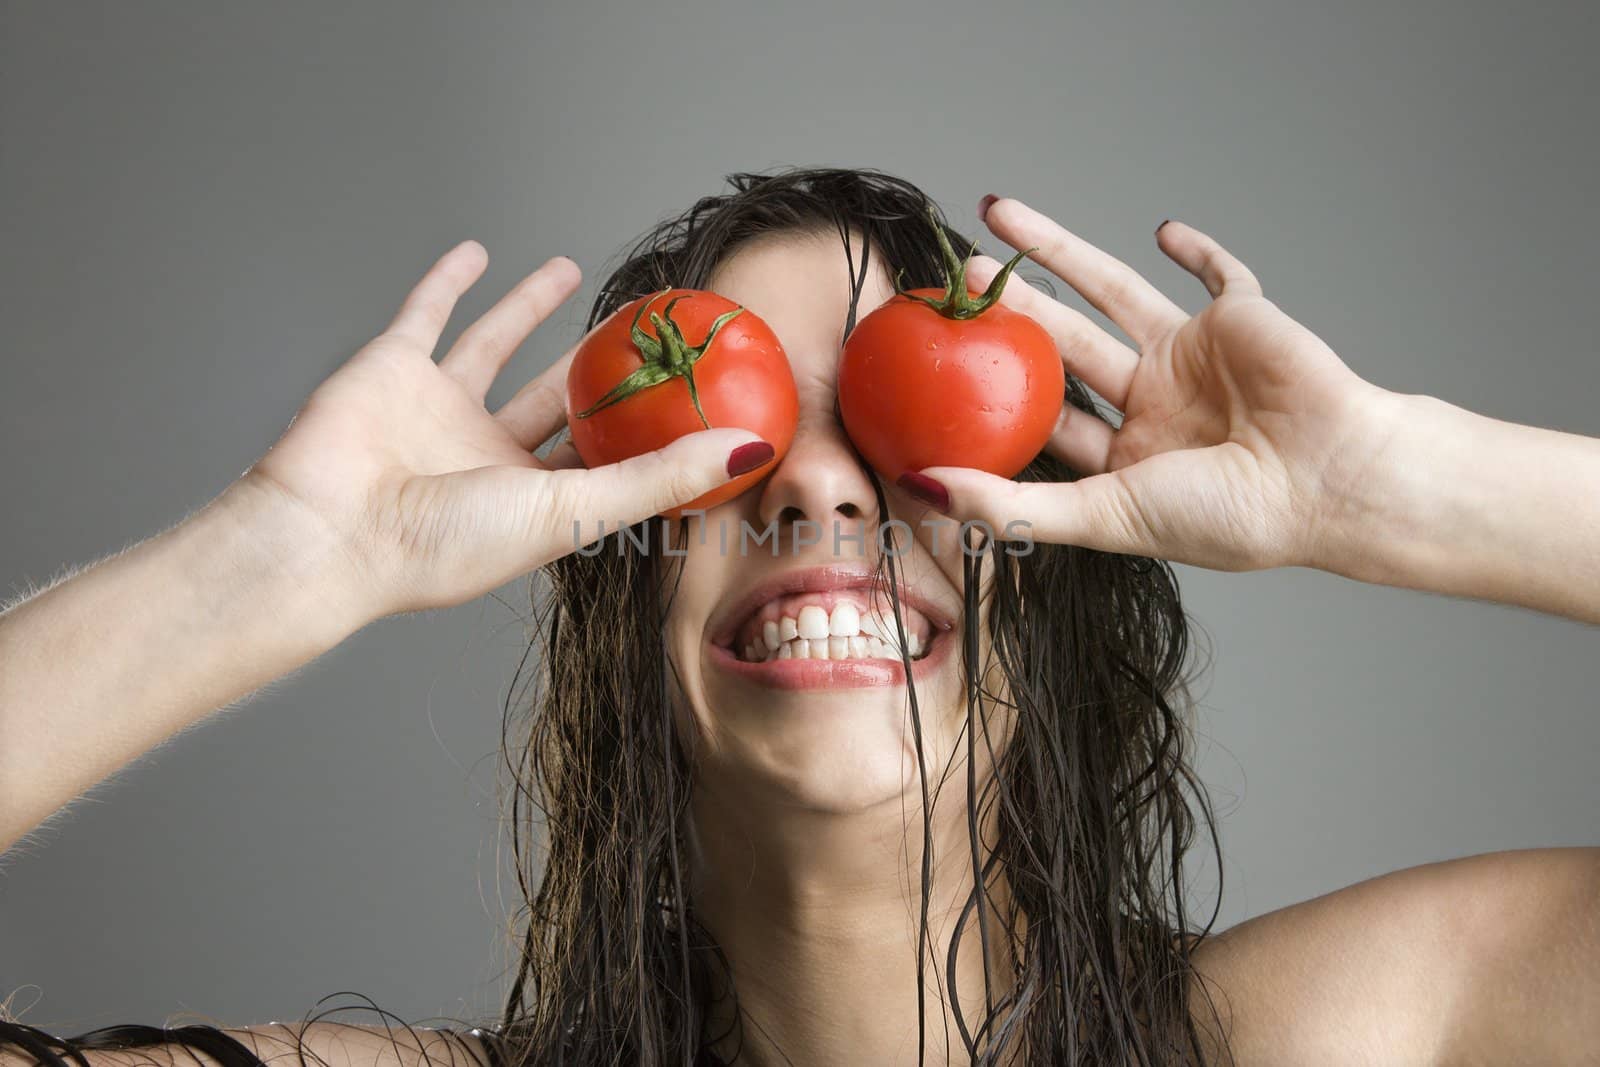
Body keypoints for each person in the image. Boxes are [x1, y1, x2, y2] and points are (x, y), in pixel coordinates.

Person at [1, 167, 1596, 1066]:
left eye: (919, 428)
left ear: (1045, 584)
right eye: (725, 424)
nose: (822, 492)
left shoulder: (1377, 1033)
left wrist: (1407, 492)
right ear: (621, 597)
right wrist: (283, 562)